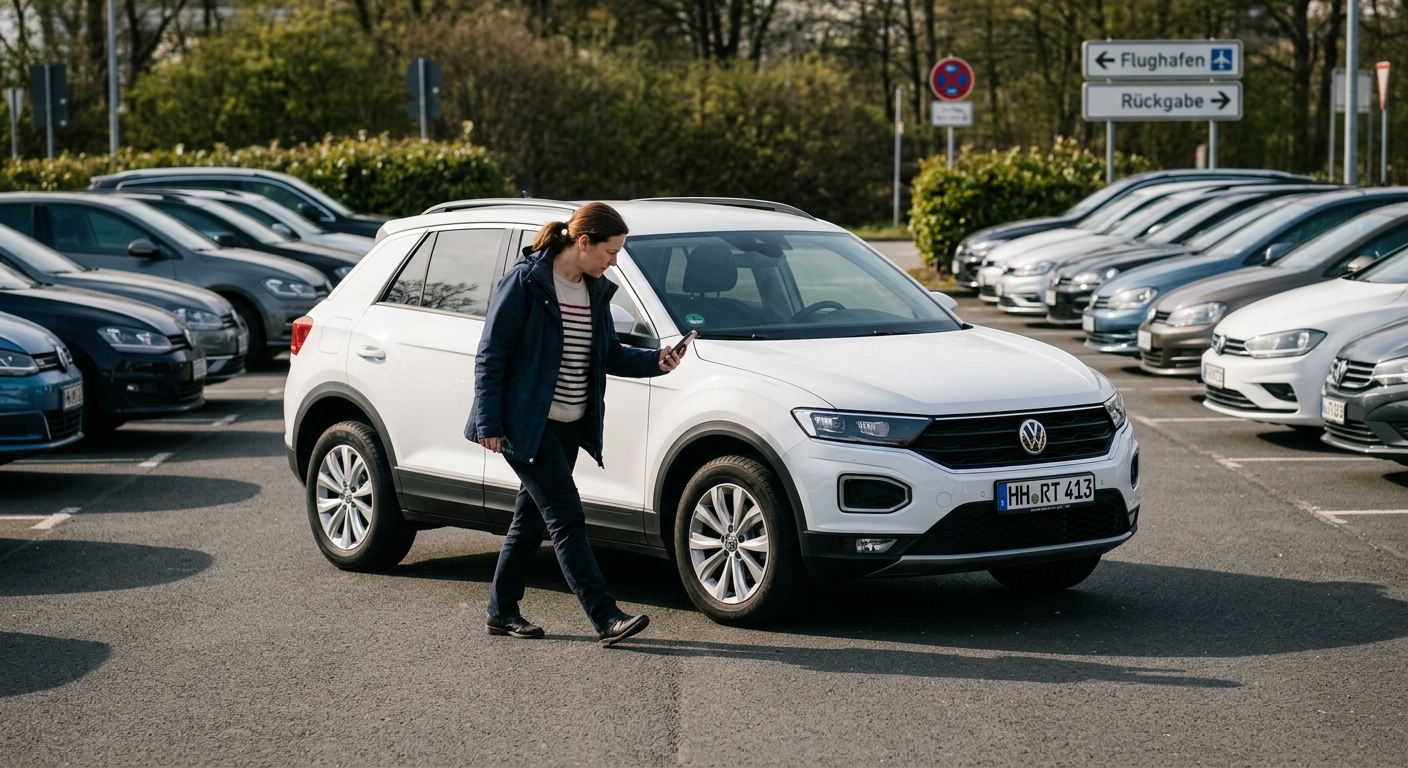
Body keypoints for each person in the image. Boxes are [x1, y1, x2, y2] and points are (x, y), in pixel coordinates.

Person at [465, 202, 684, 647]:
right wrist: (489, 419)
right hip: (525, 424)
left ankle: (500, 610)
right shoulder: (526, 283)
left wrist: (656, 362)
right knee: (566, 516)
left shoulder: (595, 289)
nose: (614, 261)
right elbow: (492, 354)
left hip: (568, 424)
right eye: (610, 251)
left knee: (530, 520)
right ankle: (605, 616)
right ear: (582, 242)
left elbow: (608, 353)